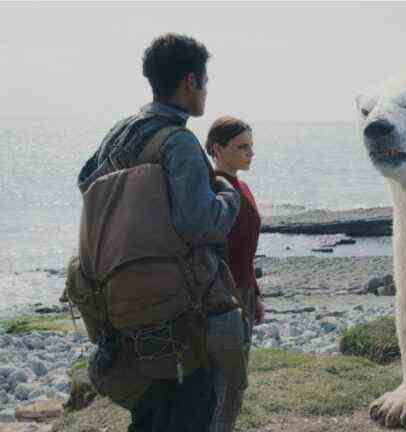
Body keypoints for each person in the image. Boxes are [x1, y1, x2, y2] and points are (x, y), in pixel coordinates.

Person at [77, 33, 242, 432]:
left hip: (122, 307)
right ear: (190, 82)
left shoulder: (121, 133)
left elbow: (86, 182)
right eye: (205, 81)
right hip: (177, 309)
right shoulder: (179, 141)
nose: (205, 90)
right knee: (191, 408)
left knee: (151, 414)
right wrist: (227, 193)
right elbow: (201, 224)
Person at [205, 116, 265, 432]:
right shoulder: (209, 190)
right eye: (242, 147)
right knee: (223, 380)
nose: (250, 153)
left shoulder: (243, 187)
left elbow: (246, 251)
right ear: (217, 149)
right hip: (217, 299)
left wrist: (255, 295)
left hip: (243, 293)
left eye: (251, 146)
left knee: (236, 381)